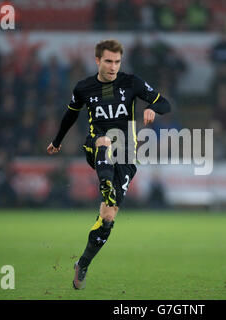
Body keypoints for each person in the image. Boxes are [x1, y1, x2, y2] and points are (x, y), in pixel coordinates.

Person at [46, 39, 171, 290]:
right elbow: (71, 114)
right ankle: (105, 184)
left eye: (117, 61)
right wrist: (57, 141)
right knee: (105, 139)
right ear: (97, 61)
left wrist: (153, 109)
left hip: (126, 156)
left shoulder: (131, 82)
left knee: (107, 219)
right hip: (96, 146)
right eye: (108, 61)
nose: (113, 66)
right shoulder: (84, 87)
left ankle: (83, 263)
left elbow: (164, 102)